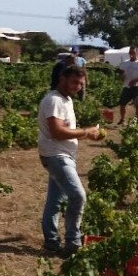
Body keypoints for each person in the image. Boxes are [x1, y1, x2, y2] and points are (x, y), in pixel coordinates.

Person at [37, 64, 103, 256]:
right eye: (74, 82)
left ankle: (51, 241)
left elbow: (65, 129)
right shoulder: (54, 100)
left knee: (55, 200)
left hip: (63, 156)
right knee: (78, 196)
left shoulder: (66, 100)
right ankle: (73, 244)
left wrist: (86, 133)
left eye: (81, 84)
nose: (78, 87)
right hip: (56, 156)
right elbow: (57, 132)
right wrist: (86, 132)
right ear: (62, 78)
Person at [116, 47, 138, 125]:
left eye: (133, 52)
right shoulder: (125, 63)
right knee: (122, 104)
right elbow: (121, 74)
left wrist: (135, 80)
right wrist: (122, 77)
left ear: (137, 53)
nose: (131, 54)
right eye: (130, 52)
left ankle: (137, 120)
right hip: (127, 87)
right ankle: (122, 119)